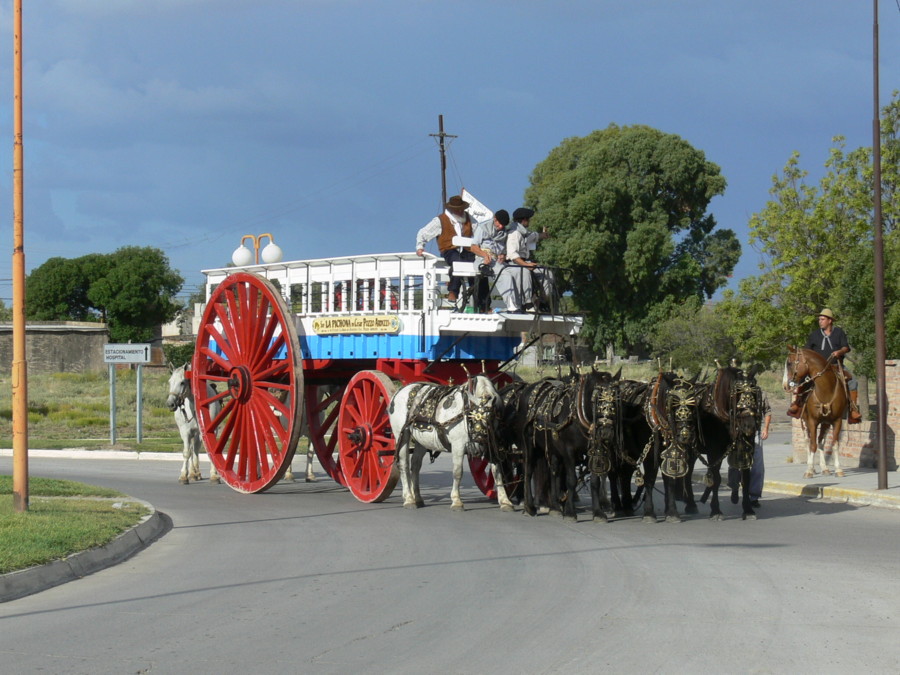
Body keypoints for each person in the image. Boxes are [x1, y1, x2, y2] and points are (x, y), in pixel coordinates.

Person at [787, 308, 862, 423]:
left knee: (853, 382)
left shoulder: (839, 332)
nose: (820, 321)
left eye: (822, 319)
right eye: (819, 319)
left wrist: (839, 352)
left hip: (836, 366)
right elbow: (807, 350)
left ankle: (853, 409)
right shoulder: (815, 334)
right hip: (816, 369)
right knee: (802, 378)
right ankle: (797, 404)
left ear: (830, 320)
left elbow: (845, 347)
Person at [416, 195, 477, 306]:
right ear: (452, 209)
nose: (460, 211)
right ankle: (453, 291)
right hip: (450, 250)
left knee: (478, 266)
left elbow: (478, 232)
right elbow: (423, 233)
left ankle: (481, 300)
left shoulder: (469, 219)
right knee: (457, 263)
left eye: (461, 209)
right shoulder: (441, 220)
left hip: (468, 250)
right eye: (457, 209)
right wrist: (420, 246)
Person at [470, 209, 534, 312]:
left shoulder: (504, 232)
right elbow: (473, 247)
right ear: (495, 219)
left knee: (520, 271)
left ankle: (525, 302)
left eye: (503, 225)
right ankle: (511, 305)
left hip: (498, 261)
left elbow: (504, 250)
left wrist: (503, 255)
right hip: (484, 259)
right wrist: (485, 255)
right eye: (499, 224)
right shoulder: (483, 228)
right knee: (505, 275)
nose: (501, 227)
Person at [507, 207, 556, 312]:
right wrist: (526, 265)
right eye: (528, 219)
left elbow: (533, 236)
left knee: (547, 273)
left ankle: (542, 301)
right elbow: (512, 255)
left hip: (525, 262)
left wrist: (543, 235)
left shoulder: (523, 232)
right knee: (525, 272)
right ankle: (528, 302)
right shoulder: (514, 234)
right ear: (524, 220)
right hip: (515, 263)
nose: (529, 221)